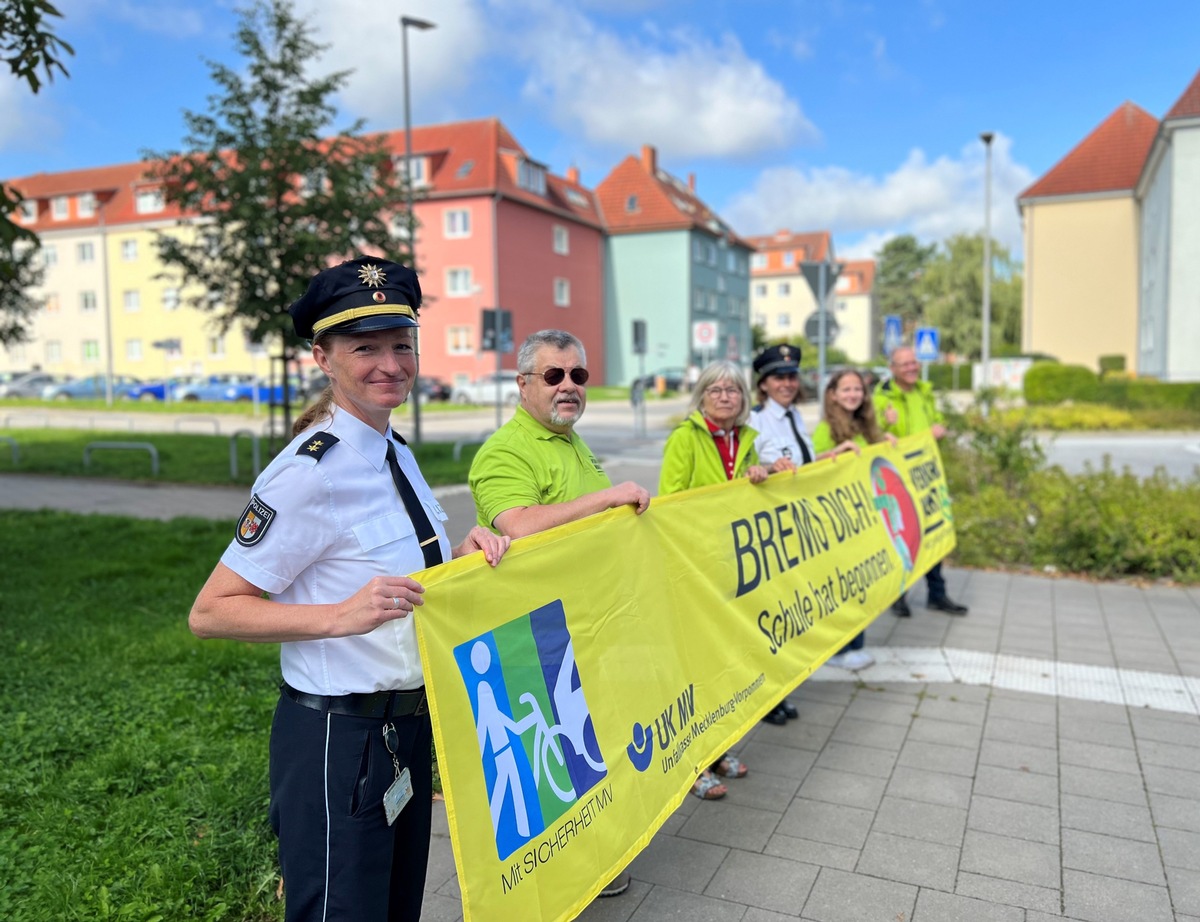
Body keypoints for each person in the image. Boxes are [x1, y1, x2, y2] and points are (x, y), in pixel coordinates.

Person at [188, 257, 511, 922]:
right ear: (321, 357)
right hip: (338, 738)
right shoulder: (310, 474)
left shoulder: (395, 452)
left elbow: (389, 571)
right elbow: (211, 612)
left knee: (395, 909)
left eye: (401, 345)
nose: (389, 364)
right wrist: (339, 617)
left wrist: (457, 554)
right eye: (365, 348)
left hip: (405, 726)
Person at [468, 328, 650, 897]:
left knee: (590, 750)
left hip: (592, 622)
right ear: (523, 385)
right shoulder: (505, 450)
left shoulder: (570, 441)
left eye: (578, 376)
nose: (568, 386)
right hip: (541, 636)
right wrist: (608, 496)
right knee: (561, 760)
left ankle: (595, 858)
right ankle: (566, 879)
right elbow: (517, 525)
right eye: (553, 376)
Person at [659, 360, 786, 798]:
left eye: (733, 389)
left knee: (726, 666)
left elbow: (748, 494)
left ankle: (719, 748)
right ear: (702, 396)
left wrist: (762, 475)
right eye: (716, 389)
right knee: (696, 668)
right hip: (696, 570)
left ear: (744, 398)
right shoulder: (685, 439)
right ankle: (693, 763)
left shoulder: (747, 441)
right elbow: (671, 503)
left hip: (734, 569)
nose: (725, 395)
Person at [748, 344, 858, 720]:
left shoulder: (795, 415)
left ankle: (782, 689)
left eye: (792, 376)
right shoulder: (757, 420)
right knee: (774, 617)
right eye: (779, 377)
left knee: (792, 616)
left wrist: (831, 455)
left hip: (801, 527)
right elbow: (755, 471)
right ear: (763, 384)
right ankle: (767, 699)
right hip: (776, 531)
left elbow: (802, 466)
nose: (787, 384)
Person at [811, 369, 900, 671]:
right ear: (832, 394)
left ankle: (856, 645)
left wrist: (885, 440)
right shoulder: (826, 429)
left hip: (865, 518)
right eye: (846, 389)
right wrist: (834, 453)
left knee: (861, 583)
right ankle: (839, 649)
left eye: (857, 389)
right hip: (840, 521)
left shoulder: (866, 425)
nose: (853, 395)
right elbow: (810, 467)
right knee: (845, 587)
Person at [873, 345, 969, 617]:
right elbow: (873, 432)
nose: (911, 368)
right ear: (892, 369)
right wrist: (886, 423)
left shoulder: (924, 393)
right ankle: (898, 596)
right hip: (899, 478)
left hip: (926, 475)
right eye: (904, 364)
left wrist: (940, 428)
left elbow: (935, 421)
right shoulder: (882, 398)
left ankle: (937, 594)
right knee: (903, 534)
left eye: (913, 363)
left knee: (935, 531)